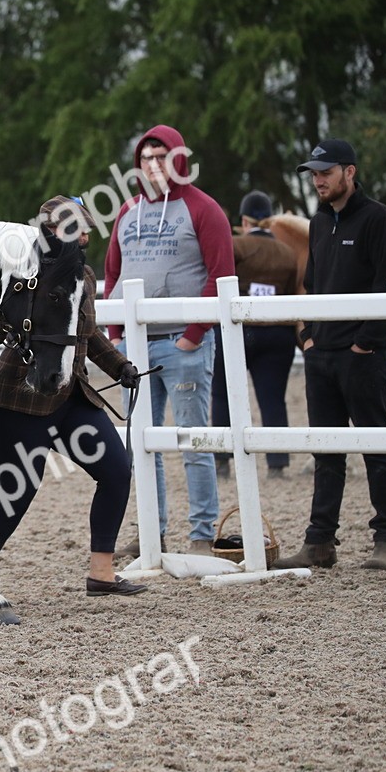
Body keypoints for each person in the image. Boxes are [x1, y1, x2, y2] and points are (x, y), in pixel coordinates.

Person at [0, 196, 147, 597]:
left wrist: (119, 366)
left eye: (86, 230)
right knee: (17, 494)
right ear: (51, 231)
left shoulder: (83, 276)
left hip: (71, 396)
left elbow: (87, 333)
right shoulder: (19, 271)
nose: (85, 237)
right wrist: (5, 328)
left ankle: (101, 574)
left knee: (116, 471)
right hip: (19, 400)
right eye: (77, 230)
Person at [105, 125, 235, 557]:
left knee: (194, 442)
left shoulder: (204, 209)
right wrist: (117, 336)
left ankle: (201, 535)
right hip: (134, 348)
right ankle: (151, 532)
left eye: (161, 156)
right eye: (146, 158)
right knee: (142, 445)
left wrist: (194, 335)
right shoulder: (127, 211)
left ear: (178, 158)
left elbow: (221, 275)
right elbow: (113, 273)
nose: (153, 165)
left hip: (183, 344)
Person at [273, 139, 386, 571]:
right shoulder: (319, 221)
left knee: (375, 446)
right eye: (314, 173)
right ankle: (320, 541)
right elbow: (310, 284)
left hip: (363, 356)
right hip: (321, 355)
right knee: (325, 451)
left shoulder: (379, 219)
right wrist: (308, 336)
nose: (318, 180)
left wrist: (366, 342)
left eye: (325, 172)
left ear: (350, 171)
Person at [212, 190, 300, 480]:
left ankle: (222, 461)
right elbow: (290, 292)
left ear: (245, 221)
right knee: (273, 399)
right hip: (277, 333)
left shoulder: (235, 244)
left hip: (239, 331)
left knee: (223, 394)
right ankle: (277, 463)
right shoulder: (288, 253)